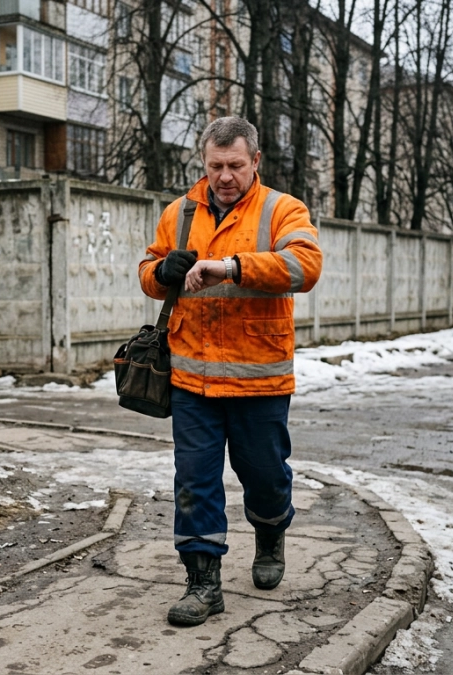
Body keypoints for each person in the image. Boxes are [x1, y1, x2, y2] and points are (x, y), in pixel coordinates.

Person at [137, 116, 323, 626]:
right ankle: (203, 584)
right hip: (192, 378)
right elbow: (148, 273)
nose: (224, 176)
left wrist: (233, 266)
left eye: (235, 165)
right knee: (194, 482)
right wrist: (162, 273)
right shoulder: (179, 213)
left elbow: (304, 266)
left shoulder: (282, 209)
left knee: (263, 476)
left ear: (255, 162)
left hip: (259, 377)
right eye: (216, 165)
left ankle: (269, 534)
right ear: (204, 162)